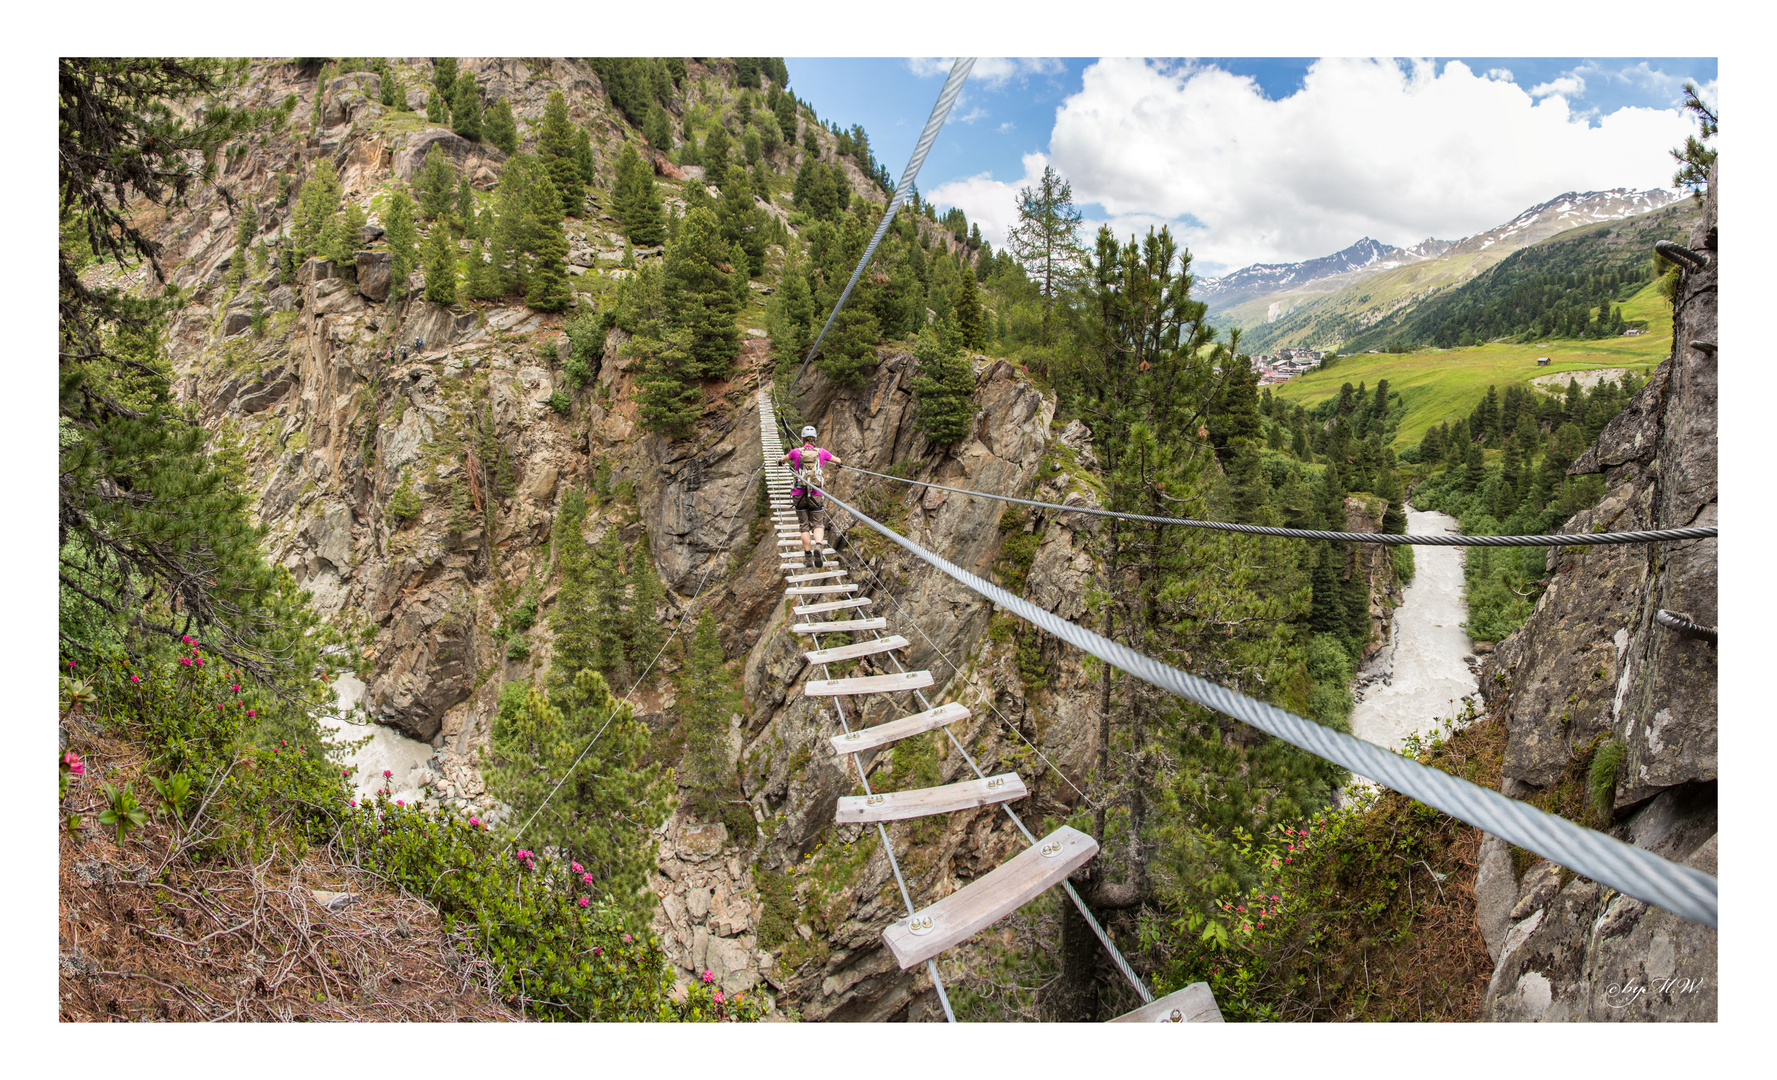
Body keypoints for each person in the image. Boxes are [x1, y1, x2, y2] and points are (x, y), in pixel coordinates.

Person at [780, 425, 841, 567]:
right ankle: (818, 545)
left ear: (802, 439)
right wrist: (840, 464)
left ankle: (808, 557)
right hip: (815, 494)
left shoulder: (795, 452)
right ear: (815, 439)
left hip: (799, 494)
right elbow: (837, 460)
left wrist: (780, 462)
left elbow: (783, 459)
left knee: (804, 526)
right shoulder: (822, 452)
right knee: (818, 523)